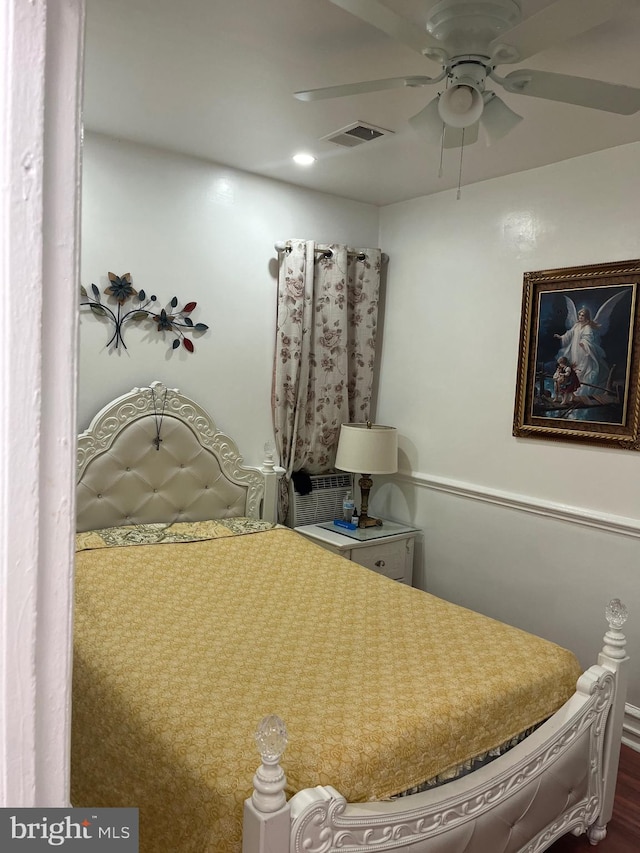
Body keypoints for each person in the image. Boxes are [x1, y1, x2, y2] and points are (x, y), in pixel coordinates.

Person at [553, 306, 609, 399]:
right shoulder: (577, 325)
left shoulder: (587, 327)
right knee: (575, 365)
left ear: (586, 317)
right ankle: (572, 386)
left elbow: (588, 337)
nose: (580, 317)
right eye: (579, 315)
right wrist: (561, 337)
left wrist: (583, 343)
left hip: (583, 351)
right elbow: (570, 333)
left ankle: (579, 386)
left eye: (582, 316)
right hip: (575, 349)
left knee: (583, 367)